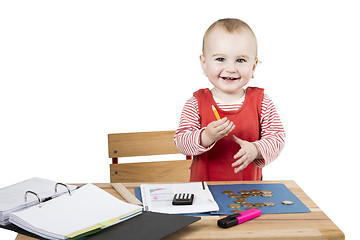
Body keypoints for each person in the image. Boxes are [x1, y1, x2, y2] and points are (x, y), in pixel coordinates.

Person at [174, 18, 286, 181]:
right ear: (204, 63)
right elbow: (181, 142)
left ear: (253, 66)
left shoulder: (262, 102)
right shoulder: (195, 103)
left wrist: (256, 149)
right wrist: (205, 136)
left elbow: (277, 138)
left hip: (249, 194)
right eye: (220, 59)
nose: (231, 68)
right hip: (204, 196)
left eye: (240, 60)